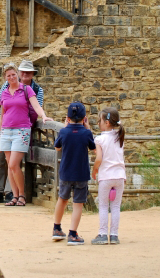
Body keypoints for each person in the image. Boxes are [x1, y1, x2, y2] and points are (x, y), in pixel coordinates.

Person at [0, 60, 47, 203]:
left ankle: (22, 195)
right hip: (6, 131)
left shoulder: (27, 89)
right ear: (5, 77)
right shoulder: (4, 93)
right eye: (8, 76)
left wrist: (44, 115)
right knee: (10, 165)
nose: (11, 78)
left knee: (14, 164)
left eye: (13, 75)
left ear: (17, 75)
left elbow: (36, 105)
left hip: (21, 130)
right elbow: (2, 115)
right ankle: (14, 196)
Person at [52, 102, 96, 246]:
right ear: (84, 118)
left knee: (62, 199)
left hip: (65, 172)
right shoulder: (86, 133)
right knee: (78, 204)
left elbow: (57, 148)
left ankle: (57, 228)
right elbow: (92, 147)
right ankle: (72, 234)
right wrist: (87, 128)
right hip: (81, 174)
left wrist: (65, 128)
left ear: (68, 117)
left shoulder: (64, 132)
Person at [91, 107, 126, 245]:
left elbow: (99, 158)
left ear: (106, 123)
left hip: (106, 176)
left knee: (104, 206)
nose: (98, 123)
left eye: (100, 120)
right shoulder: (119, 137)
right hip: (119, 176)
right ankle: (114, 235)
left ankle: (103, 234)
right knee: (116, 206)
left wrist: (94, 169)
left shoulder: (99, 139)